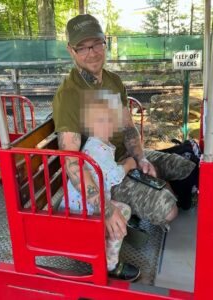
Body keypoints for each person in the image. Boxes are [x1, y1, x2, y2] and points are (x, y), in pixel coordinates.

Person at [53, 13, 196, 274]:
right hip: (105, 174)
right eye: (82, 47)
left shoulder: (113, 81)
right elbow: (72, 162)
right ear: (70, 51)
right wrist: (104, 209)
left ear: (104, 42)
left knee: (185, 166)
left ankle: (145, 200)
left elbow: (128, 128)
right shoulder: (69, 95)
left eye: (96, 43)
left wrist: (141, 159)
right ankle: (125, 224)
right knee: (170, 211)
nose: (92, 53)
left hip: (123, 159)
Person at [59, 94, 140, 280]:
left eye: (110, 120)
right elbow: (114, 176)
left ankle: (106, 245)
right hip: (81, 207)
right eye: (100, 121)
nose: (106, 125)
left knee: (120, 207)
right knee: (124, 211)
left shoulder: (99, 145)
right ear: (89, 125)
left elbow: (105, 170)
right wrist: (128, 164)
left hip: (81, 202)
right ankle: (109, 262)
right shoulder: (98, 148)